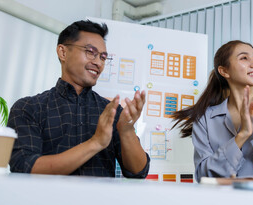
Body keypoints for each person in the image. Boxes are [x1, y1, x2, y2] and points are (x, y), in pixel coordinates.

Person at [8, 20, 150, 177]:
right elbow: (24, 167)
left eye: (103, 57)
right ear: (63, 52)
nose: (98, 62)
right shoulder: (28, 108)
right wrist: (95, 143)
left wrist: (127, 130)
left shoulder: (111, 112)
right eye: (90, 52)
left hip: (101, 201)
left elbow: (139, 172)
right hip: (46, 201)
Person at [172, 40, 253, 182]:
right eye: (244, 58)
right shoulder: (205, 119)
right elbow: (204, 175)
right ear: (224, 71)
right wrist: (242, 135)